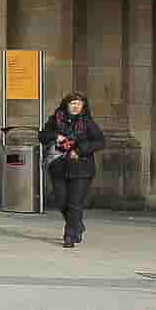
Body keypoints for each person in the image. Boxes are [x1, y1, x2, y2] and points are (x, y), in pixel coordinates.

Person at [38, 91, 105, 248]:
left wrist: (80, 150)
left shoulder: (87, 122)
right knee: (62, 201)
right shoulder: (56, 118)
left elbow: (100, 141)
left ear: (83, 107)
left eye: (79, 104)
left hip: (81, 167)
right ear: (66, 105)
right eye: (72, 103)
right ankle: (77, 224)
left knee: (74, 203)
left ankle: (70, 235)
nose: (75, 107)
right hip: (59, 166)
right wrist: (56, 136)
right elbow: (42, 135)